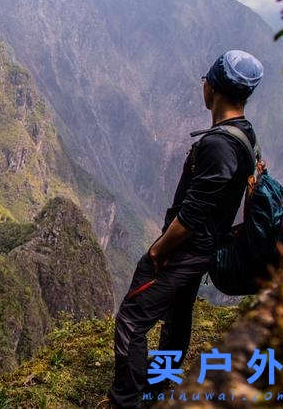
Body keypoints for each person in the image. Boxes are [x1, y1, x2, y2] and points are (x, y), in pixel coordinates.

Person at [106, 50, 265, 408]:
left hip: (186, 250)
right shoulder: (244, 134)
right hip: (207, 247)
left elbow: (192, 214)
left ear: (213, 89)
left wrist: (157, 251)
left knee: (132, 320)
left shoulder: (218, 144)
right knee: (177, 318)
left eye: (206, 81)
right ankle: (158, 387)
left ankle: (126, 400)